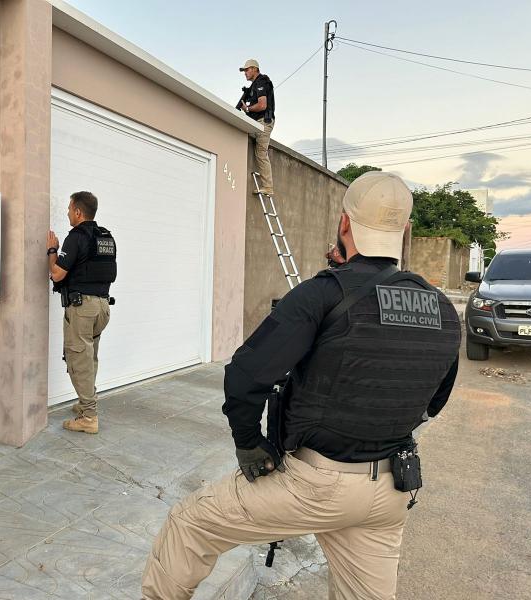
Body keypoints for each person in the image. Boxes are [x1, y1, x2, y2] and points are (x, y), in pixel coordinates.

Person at [142, 172, 462, 600]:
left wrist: (248, 442)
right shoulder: (441, 308)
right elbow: (433, 405)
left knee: (188, 524)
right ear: (404, 231)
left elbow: (245, 376)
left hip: (316, 484)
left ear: (345, 224)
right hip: (390, 492)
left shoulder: (322, 294)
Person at [47, 191, 116, 435]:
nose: (67, 212)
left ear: (78, 211)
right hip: (103, 308)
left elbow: (57, 274)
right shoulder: (105, 237)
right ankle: (85, 403)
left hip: (82, 308)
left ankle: (89, 416)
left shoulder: (76, 237)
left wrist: (51, 251)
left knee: (79, 360)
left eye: (69, 209)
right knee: (90, 358)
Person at [237, 59, 275, 196]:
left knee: (261, 154)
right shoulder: (254, 85)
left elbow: (262, 105)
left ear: (254, 69)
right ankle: (267, 186)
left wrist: (247, 108)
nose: (245, 73)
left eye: (247, 70)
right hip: (258, 121)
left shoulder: (261, 82)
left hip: (263, 121)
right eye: (244, 71)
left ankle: (268, 187)